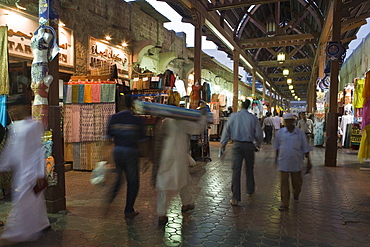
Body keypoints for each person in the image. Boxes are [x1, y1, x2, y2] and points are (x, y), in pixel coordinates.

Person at [0, 94, 50, 242]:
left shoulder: (34, 125)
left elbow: (38, 151)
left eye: (15, 106)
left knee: (24, 202)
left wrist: (40, 173)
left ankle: (17, 233)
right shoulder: (14, 126)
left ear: (25, 107)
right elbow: (10, 149)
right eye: (11, 107)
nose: (13, 110)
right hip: (20, 171)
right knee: (31, 202)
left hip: (31, 172)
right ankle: (40, 225)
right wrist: (3, 165)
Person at [156, 106, 208, 225]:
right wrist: (203, 117)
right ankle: (185, 204)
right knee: (183, 181)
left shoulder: (166, 122)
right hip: (178, 156)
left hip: (166, 155)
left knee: (164, 185)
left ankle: (162, 213)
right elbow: (197, 129)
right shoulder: (183, 122)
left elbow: (159, 140)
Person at [105, 95, 146, 218]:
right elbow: (142, 141)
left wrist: (107, 157)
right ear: (132, 105)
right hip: (131, 153)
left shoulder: (114, 118)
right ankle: (129, 210)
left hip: (118, 152)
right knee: (133, 182)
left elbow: (108, 140)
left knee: (118, 178)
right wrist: (146, 157)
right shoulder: (137, 119)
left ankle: (109, 200)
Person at [220, 100, 263, 206]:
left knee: (236, 171)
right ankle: (250, 189)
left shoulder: (233, 117)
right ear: (248, 107)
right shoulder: (253, 118)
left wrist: (223, 143)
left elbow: (226, 130)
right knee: (249, 169)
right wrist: (258, 143)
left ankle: (235, 197)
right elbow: (258, 133)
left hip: (237, 146)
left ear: (240, 106)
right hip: (249, 146)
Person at [273, 113, 312, 211]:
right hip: (283, 161)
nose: (289, 123)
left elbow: (305, 148)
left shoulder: (300, 133)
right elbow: (277, 147)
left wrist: (309, 162)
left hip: (296, 162)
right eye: (287, 121)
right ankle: (284, 203)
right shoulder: (280, 133)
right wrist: (276, 159)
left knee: (297, 183)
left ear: (294, 122)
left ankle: (296, 193)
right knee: (284, 183)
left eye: (291, 121)